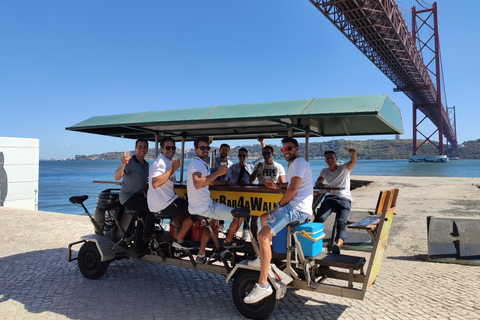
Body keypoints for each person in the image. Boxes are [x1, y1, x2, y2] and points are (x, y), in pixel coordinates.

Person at [243, 137, 313, 304]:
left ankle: (262, 285)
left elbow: (293, 190)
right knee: (263, 218)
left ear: (297, 148)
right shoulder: (298, 164)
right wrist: (277, 187)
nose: (286, 151)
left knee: (262, 236)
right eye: (284, 149)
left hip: (296, 209)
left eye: (289, 148)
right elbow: (291, 186)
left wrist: (277, 207)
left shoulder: (297, 163)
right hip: (297, 207)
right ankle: (264, 258)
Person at [186, 137, 249, 264]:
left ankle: (201, 253)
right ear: (195, 149)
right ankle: (228, 241)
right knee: (242, 214)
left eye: (207, 148)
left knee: (211, 223)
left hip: (199, 207)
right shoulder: (197, 164)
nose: (205, 150)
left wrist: (223, 181)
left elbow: (208, 181)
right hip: (205, 207)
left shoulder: (200, 163)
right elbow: (198, 184)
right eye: (202, 148)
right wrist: (218, 172)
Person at [147, 137, 194, 251]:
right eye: (168, 147)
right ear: (161, 149)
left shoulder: (167, 161)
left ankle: (179, 240)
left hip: (165, 201)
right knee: (196, 209)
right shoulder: (161, 162)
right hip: (163, 204)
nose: (171, 150)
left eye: (173, 147)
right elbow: (155, 183)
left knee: (184, 208)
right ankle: (179, 240)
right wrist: (172, 169)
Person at [313, 148, 357, 254]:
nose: (329, 160)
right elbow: (318, 181)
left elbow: (353, 162)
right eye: (327, 158)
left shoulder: (344, 168)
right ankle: (313, 241)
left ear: (336, 159)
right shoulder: (324, 171)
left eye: (331, 157)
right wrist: (318, 184)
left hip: (344, 198)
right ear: (325, 161)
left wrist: (353, 154)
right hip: (331, 197)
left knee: (341, 222)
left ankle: (337, 245)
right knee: (319, 218)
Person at [114, 138, 152, 256]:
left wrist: (149, 195)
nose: (142, 149)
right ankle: (147, 235)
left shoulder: (146, 164)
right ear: (135, 148)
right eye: (140, 147)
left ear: (147, 149)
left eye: (144, 147)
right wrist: (122, 165)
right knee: (152, 207)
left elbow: (144, 183)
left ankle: (139, 248)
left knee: (143, 217)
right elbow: (117, 177)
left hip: (139, 196)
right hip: (128, 197)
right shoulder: (129, 163)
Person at [247, 145, 286, 238]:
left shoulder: (278, 166)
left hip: (273, 195)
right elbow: (251, 180)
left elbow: (283, 183)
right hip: (260, 195)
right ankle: (255, 239)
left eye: (268, 153)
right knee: (254, 217)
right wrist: (257, 169)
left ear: (272, 154)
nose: (266, 155)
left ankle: (269, 238)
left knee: (273, 218)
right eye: (264, 153)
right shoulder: (259, 165)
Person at [211, 143, 233, 232]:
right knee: (213, 208)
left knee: (223, 206)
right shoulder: (213, 161)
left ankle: (221, 225)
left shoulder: (230, 164)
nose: (224, 152)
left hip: (224, 189)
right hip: (213, 187)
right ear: (219, 150)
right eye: (223, 150)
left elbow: (230, 178)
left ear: (229, 152)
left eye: (226, 150)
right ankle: (213, 227)